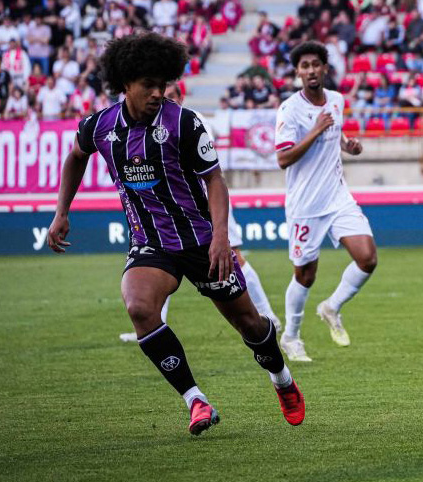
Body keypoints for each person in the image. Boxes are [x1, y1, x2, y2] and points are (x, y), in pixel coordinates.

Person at [46, 33, 304, 436]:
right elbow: (76, 156)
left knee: (250, 325)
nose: (157, 92)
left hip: (202, 243)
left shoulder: (184, 122)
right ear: (125, 84)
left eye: (162, 84)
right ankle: (195, 400)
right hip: (151, 244)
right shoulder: (100, 126)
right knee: (139, 309)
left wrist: (221, 236)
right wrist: (62, 212)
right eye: (147, 84)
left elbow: (214, 179)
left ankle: (282, 380)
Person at [119, 82, 282, 341]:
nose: (165, 101)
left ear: (181, 96)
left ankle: (267, 315)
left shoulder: (192, 121)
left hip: (209, 203)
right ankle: (156, 321)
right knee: (164, 260)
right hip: (179, 209)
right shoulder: (154, 125)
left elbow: (209, 171)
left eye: (171, 96)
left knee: (234, 258)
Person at [275, 41, 376, 362]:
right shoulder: (289, 110)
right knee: (305, 275)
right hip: (305, 205)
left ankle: (331, 306)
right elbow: (283, 158)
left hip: (338, 197)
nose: (310, 70)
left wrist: (349, 146)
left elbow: (338, 135)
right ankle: (291, 336)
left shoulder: (336, 100)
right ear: (297, 73)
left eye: (315, 64)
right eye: (304, 66)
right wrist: (315, 130)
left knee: (368, 258)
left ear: (325, 68)